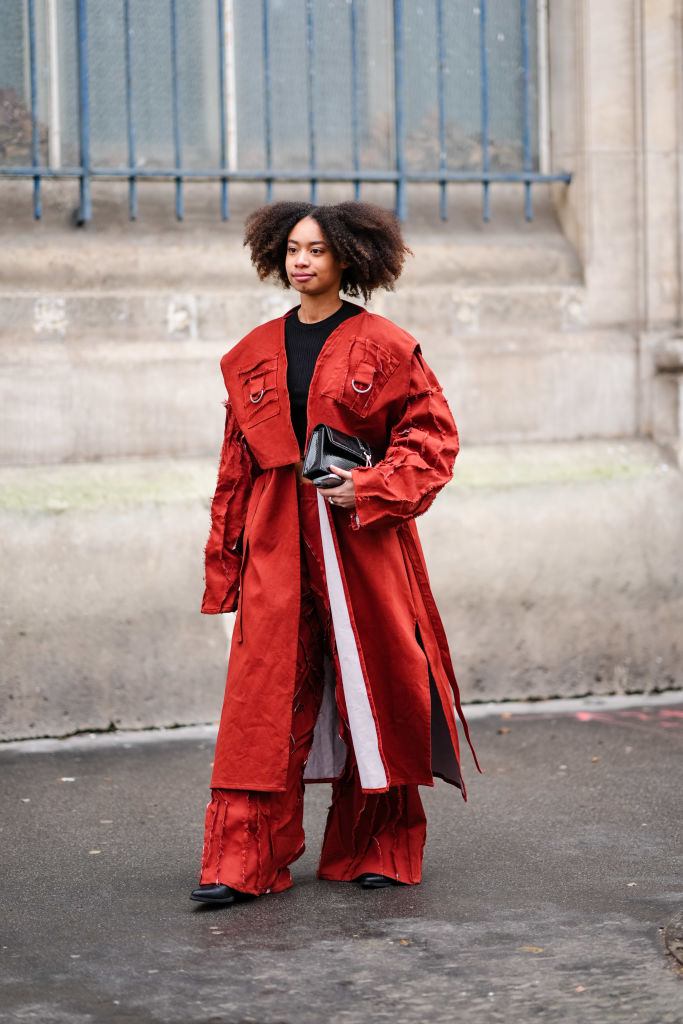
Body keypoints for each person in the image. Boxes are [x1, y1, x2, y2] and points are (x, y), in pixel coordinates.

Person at [190, 200, 479, 906]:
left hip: (362, 543)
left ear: (347, 258)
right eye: (292, 248)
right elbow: (235, 467)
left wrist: (374, 484)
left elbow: (430, 440)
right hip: (275, 541)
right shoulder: (253, 351)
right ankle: (242, 860)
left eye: (316, 250)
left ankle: (374, 846)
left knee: (373, 684)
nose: (301, 261)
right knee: (262, 697)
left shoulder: (384, 344)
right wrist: (225, 570)